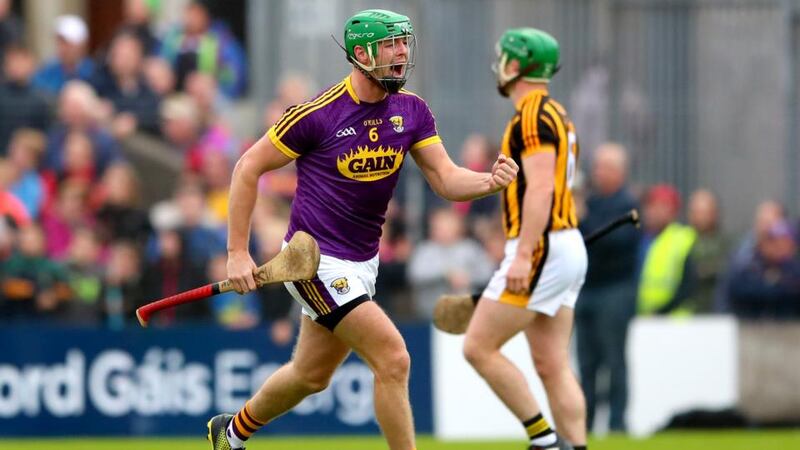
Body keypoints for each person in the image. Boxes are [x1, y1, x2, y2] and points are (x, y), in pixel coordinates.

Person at [206, 9, 518, 450]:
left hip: (363, 262)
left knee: (310, 376)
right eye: (391, 44)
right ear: (360, 53)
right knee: (394, 358)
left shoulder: (411, 111)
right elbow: (246, 167)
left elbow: (446, 179)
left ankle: (231, 432)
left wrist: (489, 181)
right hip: (312, 261)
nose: (402, 52)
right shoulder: (316, 114)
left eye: (405, 43)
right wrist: (237, 251)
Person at [462, 28, 588, 450]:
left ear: (515, 66)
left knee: (478, 346)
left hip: (542, 246)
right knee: (552, 364)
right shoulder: (556, 112)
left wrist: (523, 256)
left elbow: (539, 189)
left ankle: (545, 440)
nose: (498, 66)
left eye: (503, 58)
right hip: (564, 244)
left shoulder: (532, 115)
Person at [575, 143, 639, 433]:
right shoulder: (593, 202)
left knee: (614, 360)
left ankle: (617, 423)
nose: (598, 172)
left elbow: (611, 241)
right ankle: (584, 423)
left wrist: (583, 219)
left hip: (615, 290)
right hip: (587, 290)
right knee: (586, 363)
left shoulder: (627, 205)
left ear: (619, 171)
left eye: (605, 167)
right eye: (598, 166)